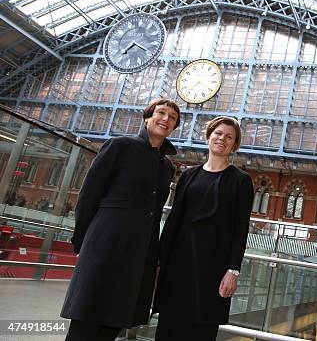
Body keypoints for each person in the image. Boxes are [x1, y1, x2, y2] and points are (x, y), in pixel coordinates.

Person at [60, 99, 180, 341]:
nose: (166, 119)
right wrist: (83, 241)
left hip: (138, 255)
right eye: (161, 113)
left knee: (114, 322)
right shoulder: (120, 146)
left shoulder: (166, 166)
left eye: (173, 118)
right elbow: (89, 194)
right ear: (147, 118)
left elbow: (154, 212)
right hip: (106, 245)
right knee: (87, 319)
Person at [153, 116, 254, 340]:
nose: (222, 139)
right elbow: (173, 221)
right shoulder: (189, 175)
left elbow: (240, 230)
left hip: (213, 268)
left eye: (229, 137)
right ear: (209, 136)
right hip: (178, 264)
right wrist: (159, 261)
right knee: (168, 326)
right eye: (218, 134)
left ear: (234, 145)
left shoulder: (241, 181)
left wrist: (233, 271)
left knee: (201, 329)